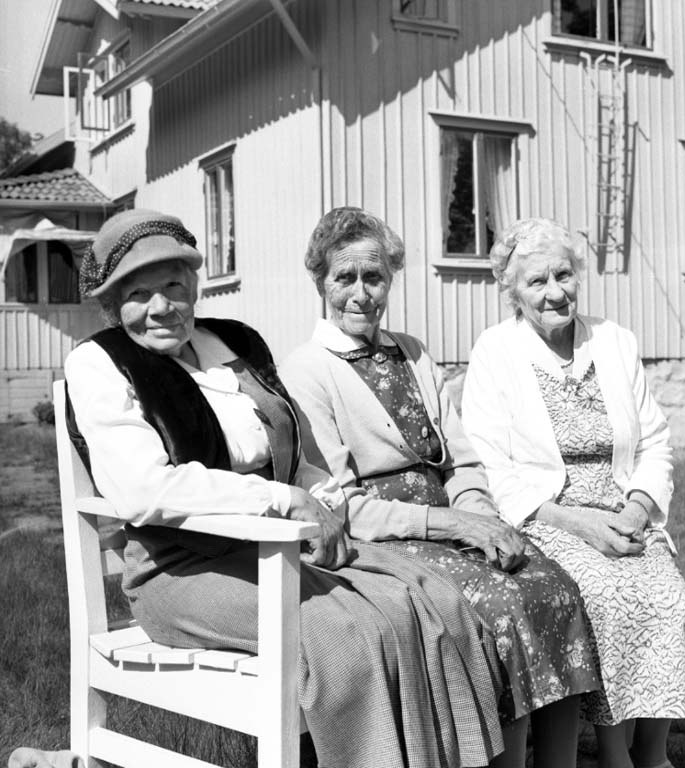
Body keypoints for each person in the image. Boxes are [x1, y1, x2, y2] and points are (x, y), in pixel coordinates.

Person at [63, 208, 511, 768]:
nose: (161, 307)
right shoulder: (98, 363)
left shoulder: (235, 345)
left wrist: (324, 504)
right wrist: (281, 502)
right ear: (112, 306)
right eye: (137, 294)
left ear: (194, 288)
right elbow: (143, 489)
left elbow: (298, 459)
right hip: (180, 568)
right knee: (347, 636)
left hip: (279, 550)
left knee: (433, 601)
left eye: (173, 286)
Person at [279, 207, 601, 768]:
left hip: (455, 524)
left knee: (553, 587)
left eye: (375, 277)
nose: (361, 294)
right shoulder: (306, 370)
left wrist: (480, 517)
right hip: (384, 542)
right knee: (500, 608)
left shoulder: (412, 350)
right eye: (345, 278)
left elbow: (461, 457)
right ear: (319, 281)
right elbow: (341, 505)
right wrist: (453, 524)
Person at [461, 218, 685, 768]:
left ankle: (653, 752)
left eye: (563, 275)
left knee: (671, 601)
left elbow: (655, 442)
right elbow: (491, 464)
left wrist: (638, 506)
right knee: (606, 598)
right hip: (548, 519)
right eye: (536, 281)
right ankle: (614, 753)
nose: (554, 292)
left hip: (623, 511)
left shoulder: (614, 340)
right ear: (513, 292)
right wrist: (579, 524)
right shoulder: (496, 350)